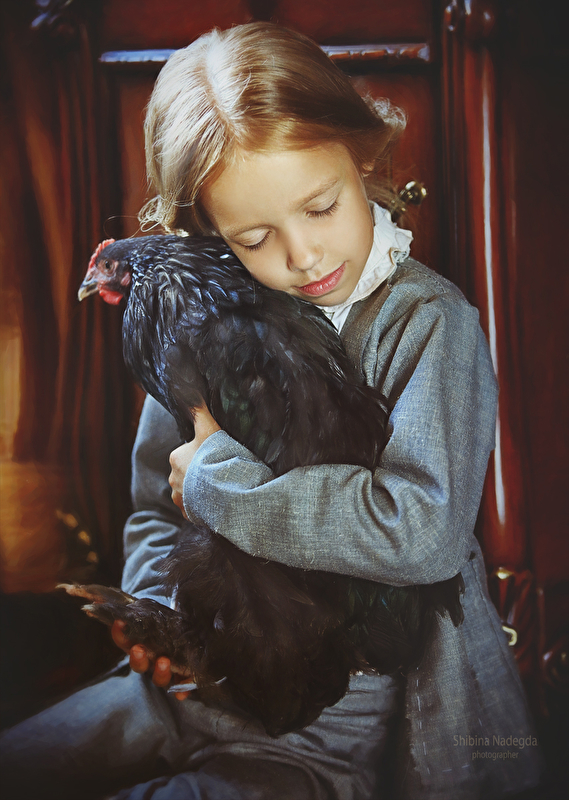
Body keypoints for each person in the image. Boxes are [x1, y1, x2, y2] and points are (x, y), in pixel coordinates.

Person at [0, 22, 542, 800]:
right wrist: (160, 620)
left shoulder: (427, 326)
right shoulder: (199, 325)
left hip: (331, 722)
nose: (302, 255)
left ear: (361, 160)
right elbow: (154, 507)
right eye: (254, 237)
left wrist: (218, 482)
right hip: (188, 681)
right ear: (208, 232)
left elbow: (420, 533)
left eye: (321, 207)